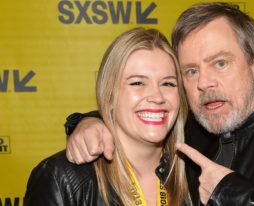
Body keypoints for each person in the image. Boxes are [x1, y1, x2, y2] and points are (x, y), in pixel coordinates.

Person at [64, 2, 254, 206]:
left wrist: (235, 195)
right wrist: (89, 123)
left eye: (220, 63)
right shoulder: (190, 130)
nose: (204, 83)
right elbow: (138, 117)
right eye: (191, 71)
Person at [24, 28, 191, 206]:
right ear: (109, 96)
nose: (157, 97)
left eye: (168, 83)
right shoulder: (61, 178)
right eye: (137, 83)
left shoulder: (195, 172)